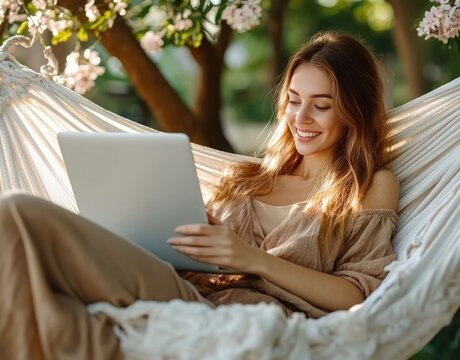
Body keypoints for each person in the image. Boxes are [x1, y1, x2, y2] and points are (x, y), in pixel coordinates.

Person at [0, 31, 399, 359]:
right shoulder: (247, 178)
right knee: (14, 220)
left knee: (44, 288)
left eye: (322, 106)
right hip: (182, 285)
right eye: (293, 101)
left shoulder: (368, 186)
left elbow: (356, 296)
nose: (300, 118)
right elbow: (200, 253)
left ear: (354, 111)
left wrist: (252, 260)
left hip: (238, 316)